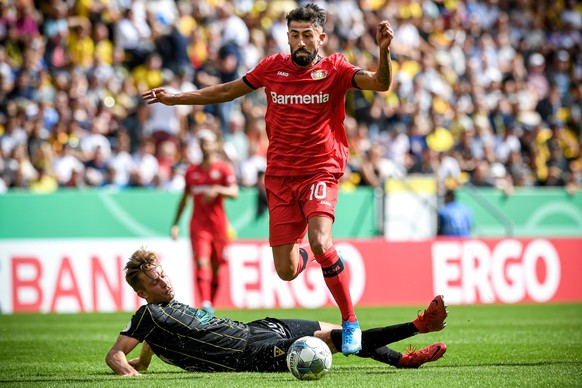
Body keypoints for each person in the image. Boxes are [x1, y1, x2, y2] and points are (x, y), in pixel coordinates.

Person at [142, 3, 395, 355]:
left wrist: (384, 53)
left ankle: (350, 319)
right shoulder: (272, 68)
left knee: (322, 241)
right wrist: (177, 99)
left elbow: (380, 83)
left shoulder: (336, 68)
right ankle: (307, 252)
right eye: (295, 35)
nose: (301, 42)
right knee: (287, 270)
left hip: (320, 170)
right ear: (288, 37)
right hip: (279, 178)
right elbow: (227, 91)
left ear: (321, 37)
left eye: (308, 35)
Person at [105, 247, 448, 375]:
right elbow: (115, 355)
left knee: (340, 332)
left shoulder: (166, 310)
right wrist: (129, 372)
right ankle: (418, 327)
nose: (164, 282)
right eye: (154, 282)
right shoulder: (146, 315)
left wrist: (147, 361)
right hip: (247, 354)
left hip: (256, 328)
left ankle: (402, 360)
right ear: (141, 292)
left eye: (163, 274)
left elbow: (156, 338)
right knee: (336, 339)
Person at [170, 129, 239, 315]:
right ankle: (206, 303)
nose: (206, 146)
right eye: (203, 143)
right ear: (200, 146)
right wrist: (175, 224)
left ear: (215, 145)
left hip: (218, 226)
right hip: (198, 226)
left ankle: (210, 307)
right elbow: (184, 199)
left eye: (209, 143)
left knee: (216, 268)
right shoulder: (192, 171)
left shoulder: (223, 169)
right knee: (201, 262)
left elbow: (234, 192)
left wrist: (217, 189)